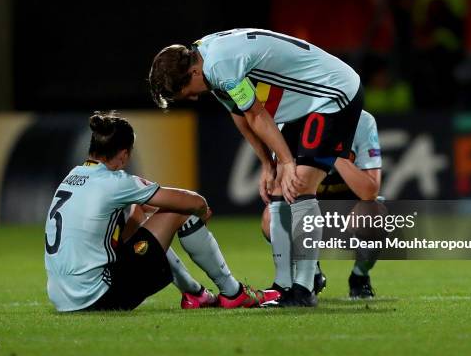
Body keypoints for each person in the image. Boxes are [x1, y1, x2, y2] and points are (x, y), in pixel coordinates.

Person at [149, 28, 365, 307]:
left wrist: (286, 162)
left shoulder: (219, 66)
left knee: (299, 184)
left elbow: (256, 113)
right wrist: (268, 165)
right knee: (278, 185)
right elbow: (240, 114)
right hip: (305, 100)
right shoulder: (204, 58)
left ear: (192, 74)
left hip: (334, 93)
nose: (191, 98)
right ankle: (284, 285)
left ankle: (304, 288)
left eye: (185, 93)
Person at [44, 111, 279, 312]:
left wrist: (144, 216)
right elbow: (191, 201)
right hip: (98, 296)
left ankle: (196, 294)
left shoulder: (72, 177)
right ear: (124, 154)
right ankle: (233, 292)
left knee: (141, 219)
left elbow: (137, 214)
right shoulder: (115, 182)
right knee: (181, 212)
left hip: (62, 298)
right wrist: (202, 210)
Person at [261, 110, 382, 299]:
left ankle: (359, 277)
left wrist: (333, 151)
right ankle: (310, 272)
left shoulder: (362, 121)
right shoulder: (289, 115)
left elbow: (370, 191)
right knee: (270, 218)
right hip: (308, 208)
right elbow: (281, 185)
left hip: (347, 213)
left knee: (376, 214)